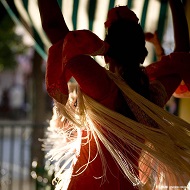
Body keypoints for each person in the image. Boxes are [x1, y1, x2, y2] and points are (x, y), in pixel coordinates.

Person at [38, 0, 190, 190]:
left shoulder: (102, 86)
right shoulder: (151, 98)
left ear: (106, 53)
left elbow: (55, 29)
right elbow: (181, 56)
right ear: (142, 54)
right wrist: (176, 4)